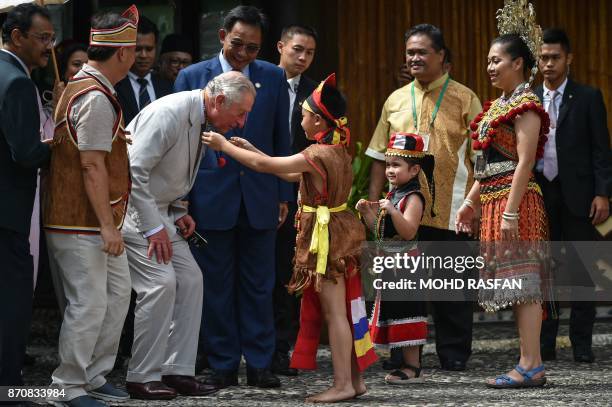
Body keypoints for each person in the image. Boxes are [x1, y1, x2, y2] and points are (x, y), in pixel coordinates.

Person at [203, 73, 377, 403]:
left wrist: (225, 145)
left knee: (336, 313)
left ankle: (342, 384)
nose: (300, 119)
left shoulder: (317, 153)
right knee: (346, 309)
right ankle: (354, 382)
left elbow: (266, 165)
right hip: (343, 232)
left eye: (303, 115)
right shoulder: (333, 151)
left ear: (316, 119)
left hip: (329, 239)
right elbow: (290, 172)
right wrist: (251, 148)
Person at [174, 5, 292, 389]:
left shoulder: (273, 77)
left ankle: (260, 363)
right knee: (216, 284)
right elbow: (182, 142)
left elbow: (280, 138)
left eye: (253, 49)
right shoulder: (192, 76)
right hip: (209, 194)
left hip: (260, 194)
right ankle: (222, 363)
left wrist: (282, 192)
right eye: (238, 43)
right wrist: (182, 198)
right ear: (223, 36)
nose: (243, 54)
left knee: (260, 283)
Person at [122, 72, 252, 400]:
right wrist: (154, 227)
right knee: (160, 284)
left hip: (162, 211)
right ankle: (142, 375)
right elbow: (133, 171)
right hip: (133, 210)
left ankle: (176, 370)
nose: (242, 122)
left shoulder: (200, 113)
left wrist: (179, 211)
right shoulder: (170, 112)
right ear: (219, 101)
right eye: (240, 113)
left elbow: (172, 172)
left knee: (192, 279)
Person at [366, 23, 481, 372]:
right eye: (410, 52)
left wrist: (474, 205)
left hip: (452, 209)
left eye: (422, 52)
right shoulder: (396, 99)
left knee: (452, 286)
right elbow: (376, 155)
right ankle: (403, 354)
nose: (414, 58)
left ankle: (454, 353)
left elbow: (482, 157)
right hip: (403, 212)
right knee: (403, 286)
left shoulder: (465, 97)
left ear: (441, 56)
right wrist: (373, 203)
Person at [43, 6, 138, 406]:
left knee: (117, 294)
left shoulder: (87, 87)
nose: (134, 57)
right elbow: (91, 163)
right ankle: (65, 386)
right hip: (82, 220)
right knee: (90, 302)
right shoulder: (94, 96)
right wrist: (108, 226)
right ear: (122, 53)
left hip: (93, 219)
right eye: (132, 49)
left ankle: (93, 375)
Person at [455, 0, 551, 388]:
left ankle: (532, 364)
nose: (491, 67)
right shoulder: (497, 106)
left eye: (497, 60)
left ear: (518, 64)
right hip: (496, 200)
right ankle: (529, 361)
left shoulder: (527, 106)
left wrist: (510, 212)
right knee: (515, 284)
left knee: (524, 283)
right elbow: (487, 164)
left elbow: (524, 163)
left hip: (517, 202)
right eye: (489, 60)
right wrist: (468, 202)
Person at [536, 28, 612, 363]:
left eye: (555, 57)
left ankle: (581, 344)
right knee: (544, 269)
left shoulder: (588, 97)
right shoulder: (527, 99)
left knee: (583, 268)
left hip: (581, 195)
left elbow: (601, 151)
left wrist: (602, 194)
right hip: (540, 193)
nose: (548, 64)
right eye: (543, 58)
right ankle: (544, 344)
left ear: (569, 59)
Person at [0, 3, 52, 390]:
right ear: (17, 37)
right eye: (42, 38)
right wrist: (59, 146)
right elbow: (25, 154)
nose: (48, 47)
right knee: (12, 304)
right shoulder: (17, 81)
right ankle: (9, 386)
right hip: (8, 212)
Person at [357, 133, 435, 384]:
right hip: (391, 263)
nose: (389, 170)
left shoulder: (413, 197)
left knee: (407, 312)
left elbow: (409, 230)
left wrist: (391, 211)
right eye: (388, 164)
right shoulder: (393, 195)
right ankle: (401, 361)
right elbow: (381, 234)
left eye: (396, 165)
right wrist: (369, 215)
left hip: (407, 265)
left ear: (413, 170)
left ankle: (413, 366)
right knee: (394, 312)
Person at [272, 23, 318, 377]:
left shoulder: (315, 94)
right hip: (264, 188)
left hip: (300, 194)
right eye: (297, 49)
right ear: (281, 47)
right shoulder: (260, 82)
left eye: (309, 52)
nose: (302, 58)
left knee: (288, 276)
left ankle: (280, 351)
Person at [115, 15, 173, 125]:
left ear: (156, 49)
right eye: (137, 49)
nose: (144, 55)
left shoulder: (168, 86)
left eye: (149, 49)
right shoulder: (114, 86)